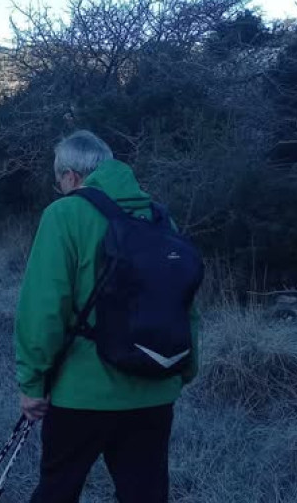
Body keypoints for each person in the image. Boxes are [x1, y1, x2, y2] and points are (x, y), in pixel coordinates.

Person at [15, 130, 200, 503]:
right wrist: (185, 371)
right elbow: (185, 305)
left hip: (81, 392)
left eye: (59, 182)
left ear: (70, 176)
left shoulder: (64, 214)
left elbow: (44, 309)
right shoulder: (159, 218)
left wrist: (32, 383)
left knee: (57, 490)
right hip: (155, 389)